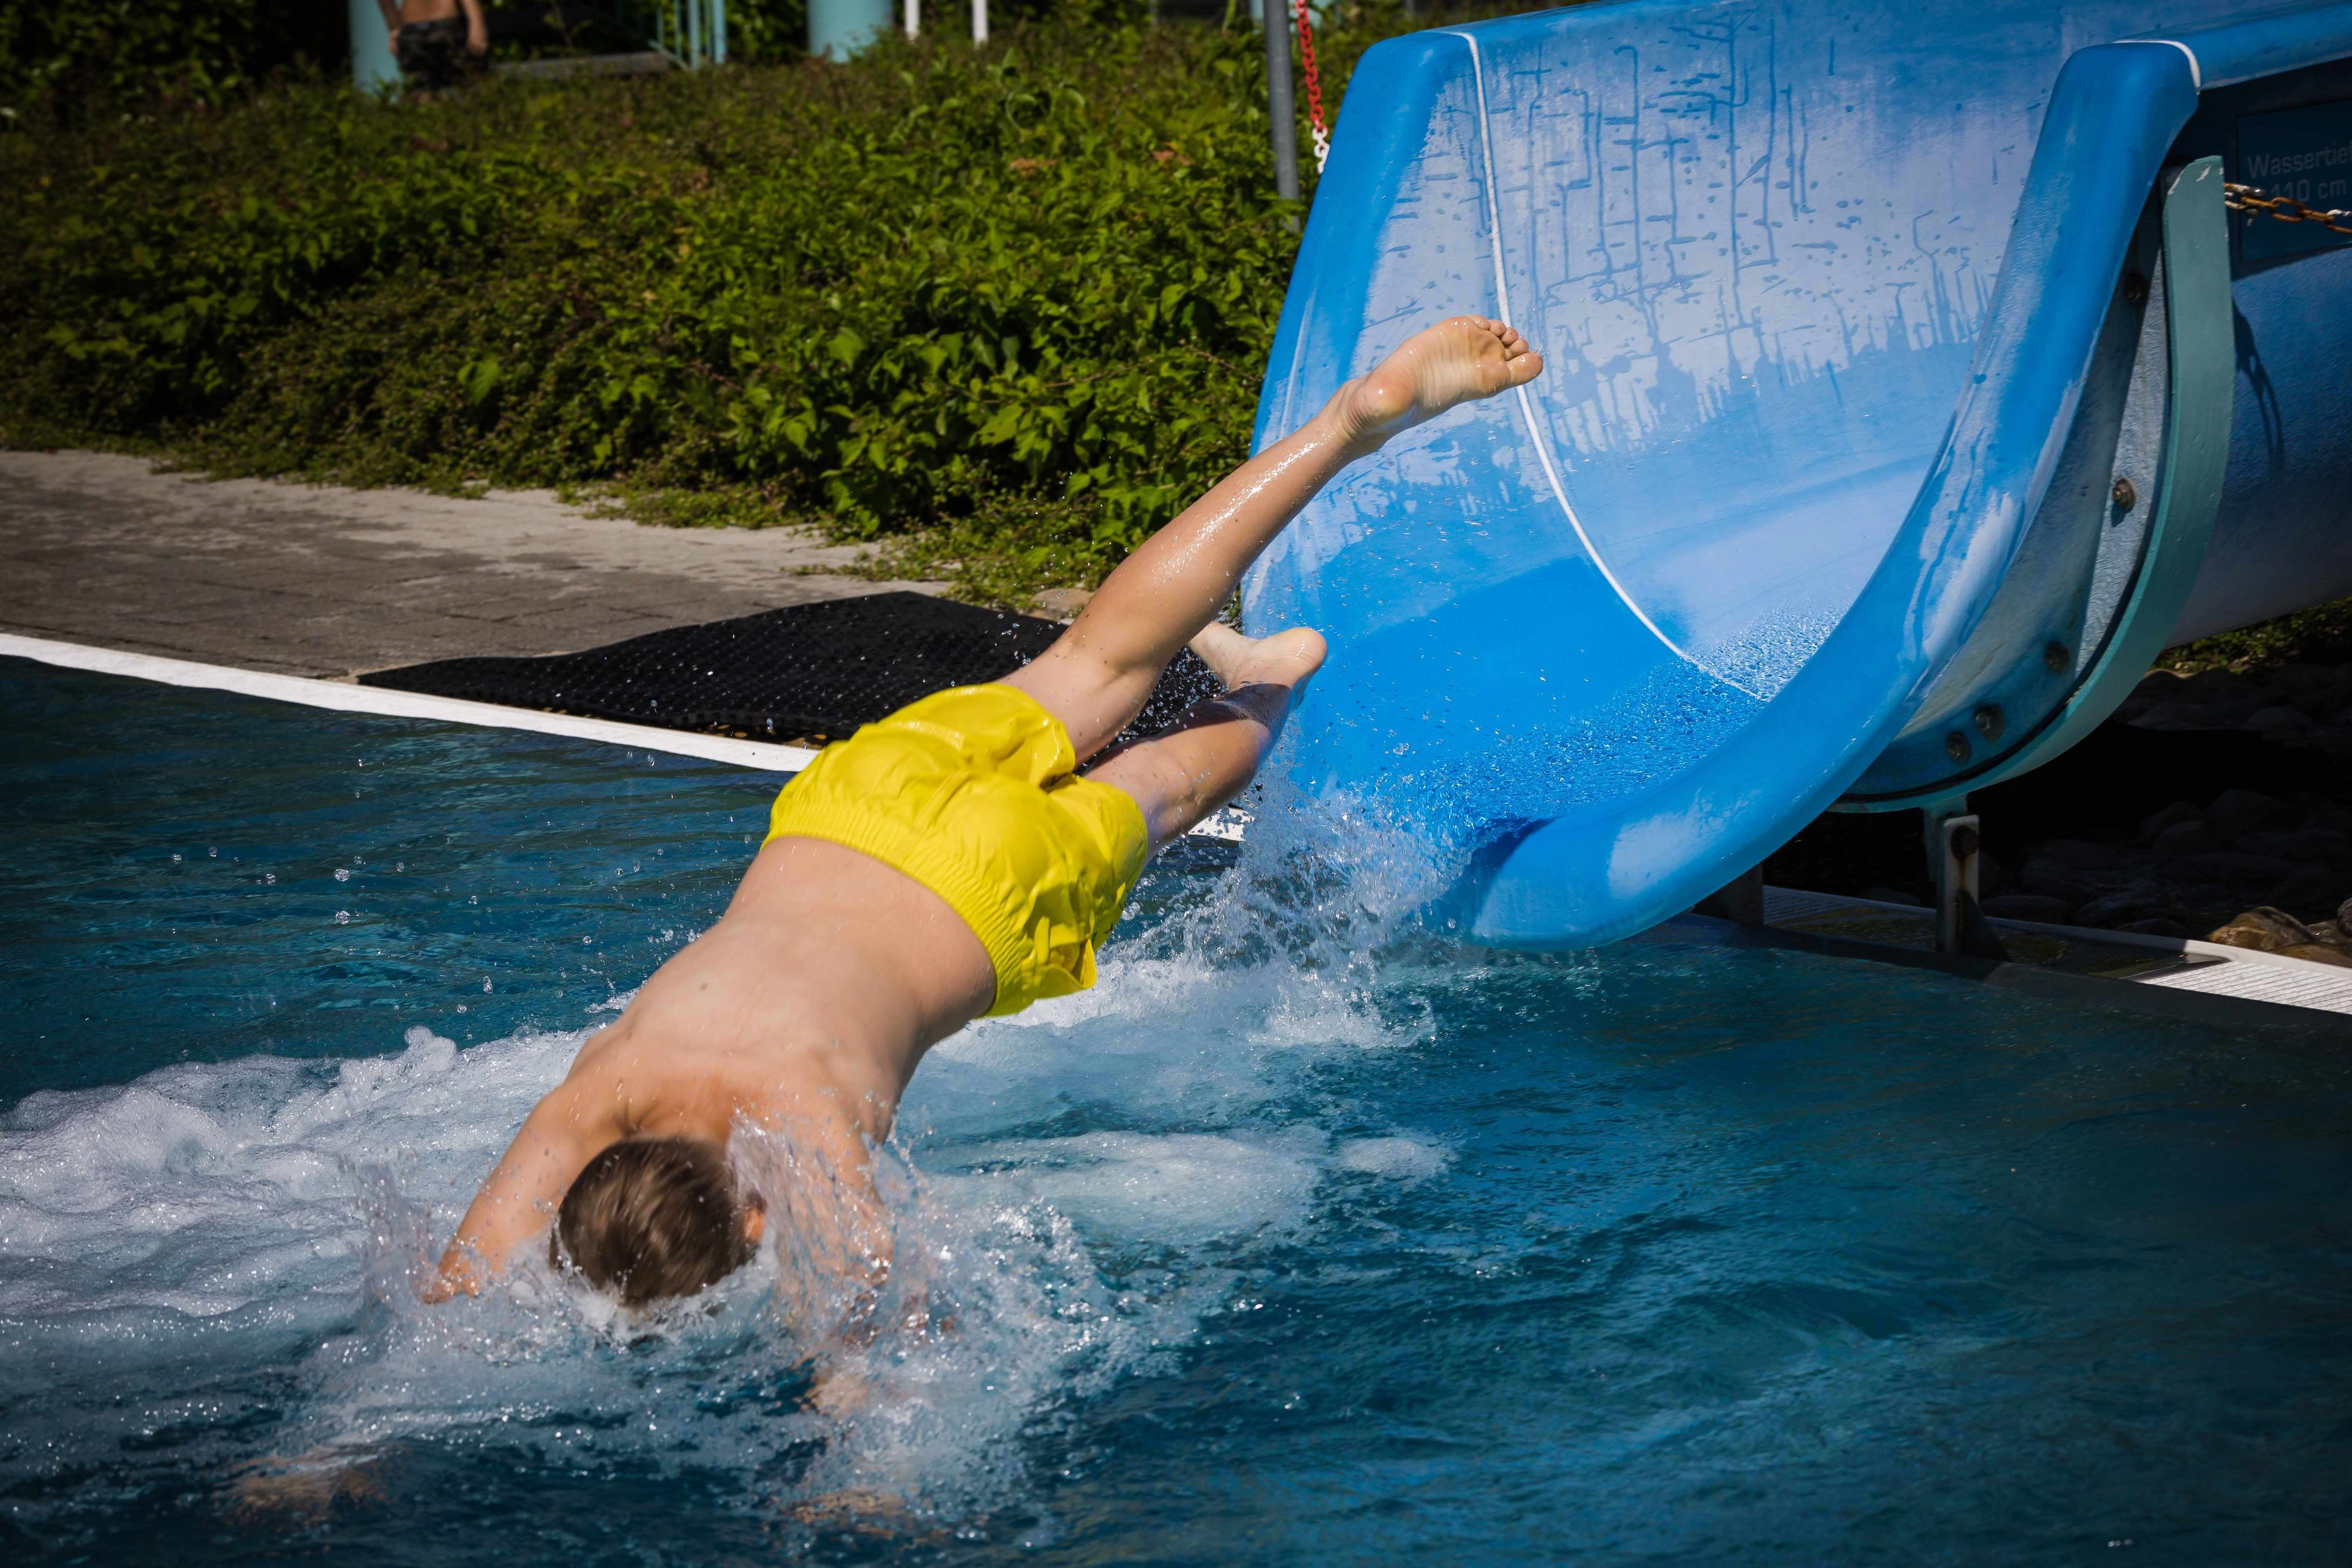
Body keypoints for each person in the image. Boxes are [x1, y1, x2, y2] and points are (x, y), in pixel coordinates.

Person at [427, 315, 1544, 1309]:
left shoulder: (800, 1133)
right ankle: (1347, 425)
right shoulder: (600, 1088)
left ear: (755, 1219)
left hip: (986, 889)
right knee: (1095, 653)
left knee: (1175, 786)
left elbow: (863, 1319)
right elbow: (460, 1265)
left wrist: (853, 1446)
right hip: (853, 803)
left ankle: (1266, 684)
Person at [379, 0, 489, 96]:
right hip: (446, 22)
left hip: (412, 28)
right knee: (468, 88)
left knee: (421, 95)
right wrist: (476, 22)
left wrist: (394, 28)